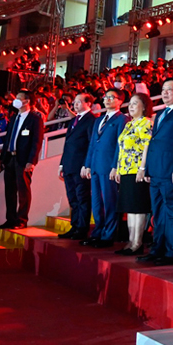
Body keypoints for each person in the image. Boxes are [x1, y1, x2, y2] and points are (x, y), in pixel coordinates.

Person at [136, 79, 173, 266]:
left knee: (172, 212)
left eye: (169, 89)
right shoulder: (160, 113)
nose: (165, 93)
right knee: (157, 212)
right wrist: (148, 168)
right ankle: (157, 249)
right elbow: (153, 142)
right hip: (156, 171)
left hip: (170, 171)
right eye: (163, 89)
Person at [82, 89, 128, 248]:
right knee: (97, 202)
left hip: (108, 167)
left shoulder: (122, 119)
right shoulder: (99, 120)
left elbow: (120, 145)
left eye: (111, 97)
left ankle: (108, 235)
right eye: (105, 97)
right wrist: (87, 164)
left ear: (120, 101)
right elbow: (92, 144)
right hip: (95, 165)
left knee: (109, 201)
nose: (107, 100)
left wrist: (115, 166)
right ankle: (97, 232)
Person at [0, 91, 45, 230]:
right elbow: (8, 139)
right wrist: (2, 158)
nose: (15, 100)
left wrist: (31, 161)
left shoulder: (35, 119)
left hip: (23, 160)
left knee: (23, 190)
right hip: (10, 158)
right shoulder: (14, 117)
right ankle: (10, 219)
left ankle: (22, 219)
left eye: (19, 98)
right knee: (9, 191)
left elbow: (37, 142)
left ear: (27, 101)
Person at [113, 93, 154, 256]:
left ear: (144, 106)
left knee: (138, 207)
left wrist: (143, 168)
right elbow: (122, 148)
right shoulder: (129, 124)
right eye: (130, 103)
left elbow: (147, 146)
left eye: (135, 103)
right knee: (129, 207)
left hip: (137, 170)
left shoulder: (146, 123)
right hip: (125, 170)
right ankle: (131, 241)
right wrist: (118, 168)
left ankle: (137, 242)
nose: (131, 106)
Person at [57, 94, 96, 240]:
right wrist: (62, 164)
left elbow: (91, 144)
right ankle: (74, 226)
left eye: (79, 102)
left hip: (80, 166)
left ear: (88, 103)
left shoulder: (91, 120)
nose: (75, 104)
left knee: (82, 197)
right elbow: (67, 143)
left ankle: (82, 228)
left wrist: (87, 164)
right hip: (69, 164)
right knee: (72, 197)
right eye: (74, 102)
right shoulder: (74, 120)